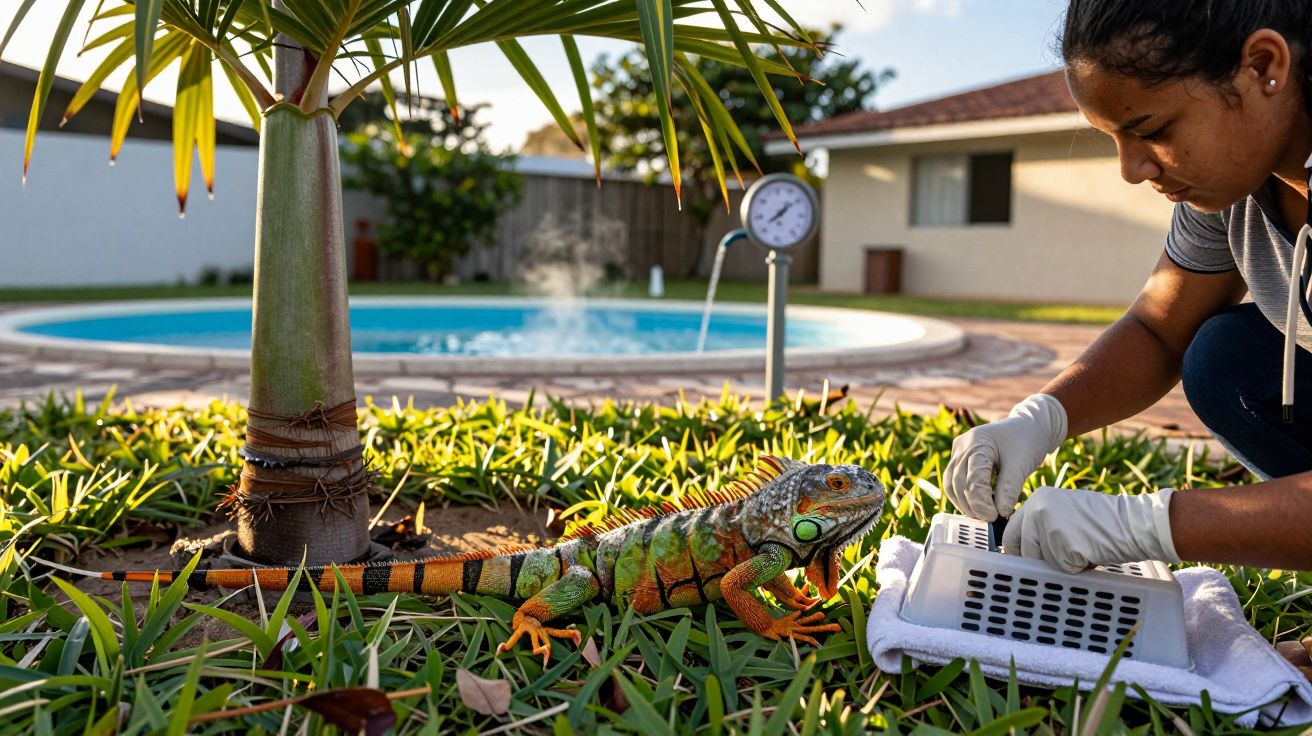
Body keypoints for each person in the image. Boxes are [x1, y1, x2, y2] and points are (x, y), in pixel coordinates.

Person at [941, 0, 1312, 663]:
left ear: (1262, 66)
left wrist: (1148, 523)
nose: (1132, 169)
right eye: (1114, 137)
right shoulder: (1232, 184)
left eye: (1152, 129)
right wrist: (1040, 419)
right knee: (1224, 357)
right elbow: (1157, 328)